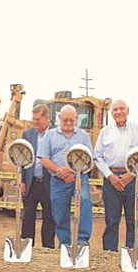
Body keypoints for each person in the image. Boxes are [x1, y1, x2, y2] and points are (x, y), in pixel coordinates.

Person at [94, 99, 138, 252]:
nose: (118, 112)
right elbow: (97, 157)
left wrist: (132, 174)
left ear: (128, 110)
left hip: (133, 180)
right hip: (111, 180)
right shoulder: (105, 132)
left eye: (121, 109)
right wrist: (110, 176)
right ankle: (110, 253)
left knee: (134, 219)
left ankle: (134, 251)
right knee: (112, 220)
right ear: (111, 113)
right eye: (115, 110)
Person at [38, 104, 94, 247]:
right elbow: (43, 159)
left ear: (76, 119)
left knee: (85, 202)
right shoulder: (50, 135)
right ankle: (65, 243)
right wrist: (59, 171)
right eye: (65, 120)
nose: (68, 123)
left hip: (79, 179)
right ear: (59, 119)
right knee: (59, 212)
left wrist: (74, 172)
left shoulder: (83, 136)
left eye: (71, 120)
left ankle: (82, 241)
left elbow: (90, 159)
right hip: (57, 180)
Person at [21, 104, 55, 249]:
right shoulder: (27, 135)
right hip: (31, 183)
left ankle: (48, 247)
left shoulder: (55, 134)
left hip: (49, 182)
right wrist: (22, 181)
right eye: (33, 119)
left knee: (49, 217)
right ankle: (27, 247)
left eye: (38, 119)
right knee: (28, 217)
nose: (35, 122)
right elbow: (22, 160)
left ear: (47, 118)